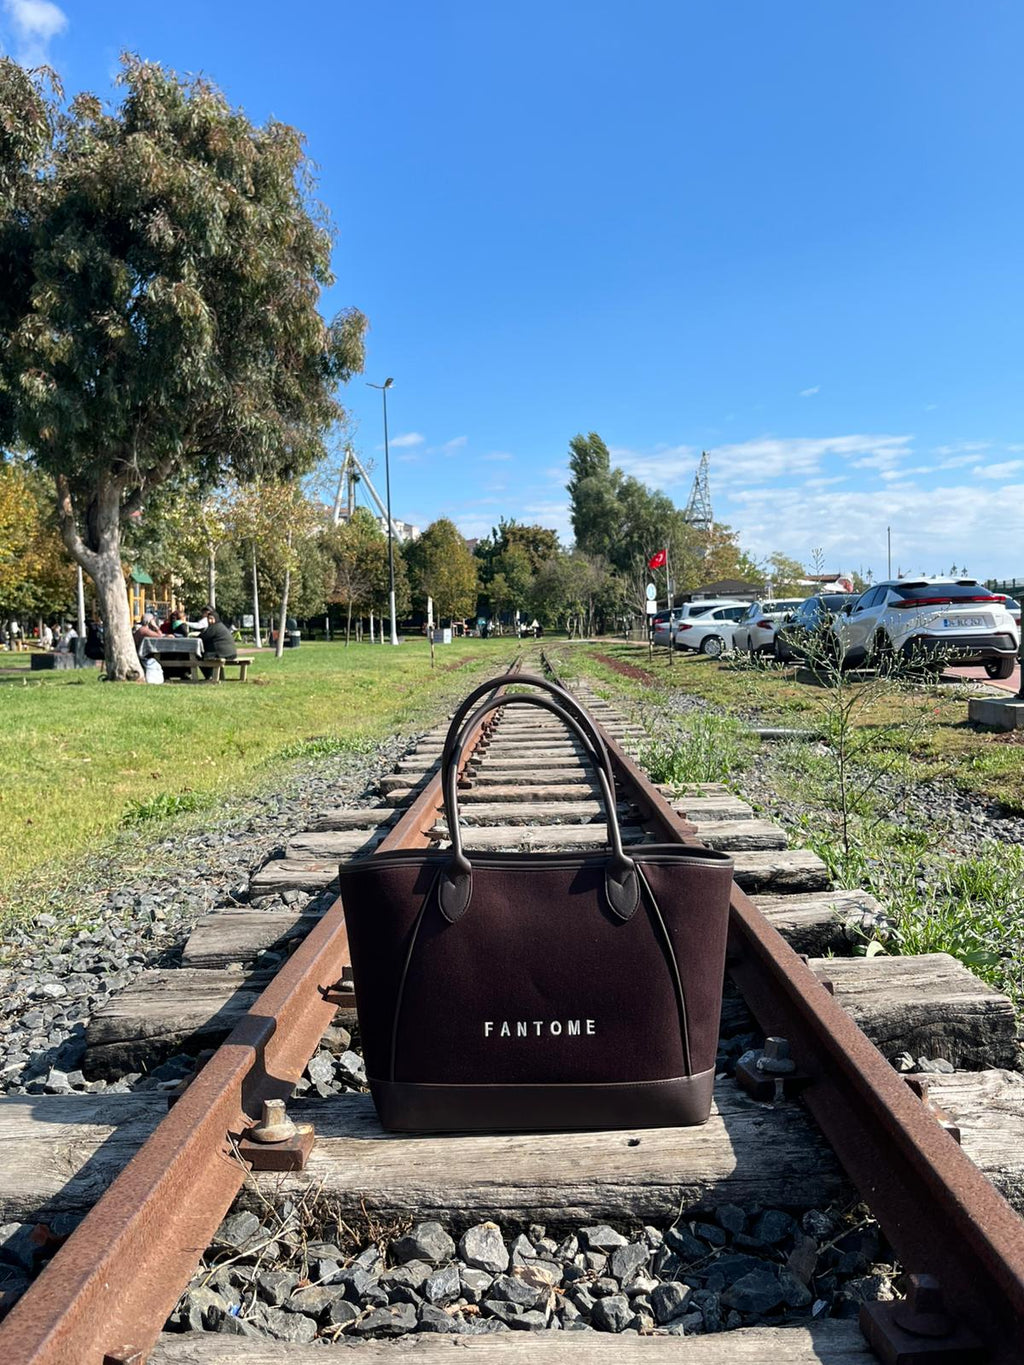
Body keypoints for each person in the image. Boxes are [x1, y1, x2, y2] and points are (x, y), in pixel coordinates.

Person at [198, 608, 237, 679]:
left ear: (216, 618)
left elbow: (203, 637)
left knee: (198, 655)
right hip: (231, 653)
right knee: (207, 653)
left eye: (211, 619)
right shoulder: (221, 626)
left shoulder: (215, 627)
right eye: (208, 619)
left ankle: (209, 676)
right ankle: (219, 676)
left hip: (223, 654)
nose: (210, 621)